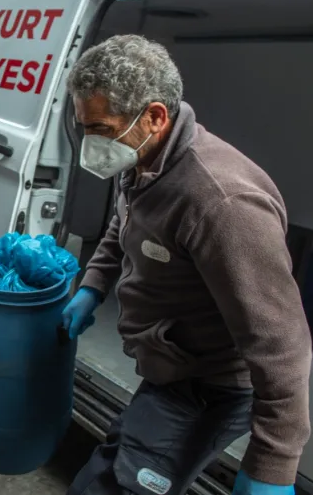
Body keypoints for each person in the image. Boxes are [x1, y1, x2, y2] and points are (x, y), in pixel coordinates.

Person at [62, 35, 311, 495]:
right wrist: (92, 286)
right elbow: (125, 221)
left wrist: (272, 464)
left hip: (211, 385)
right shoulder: (144, 159)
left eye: (99, 128)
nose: (90, 144)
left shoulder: (222, 204)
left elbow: (282, 345)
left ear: (155, 116)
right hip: (170, 367)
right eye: (84, 128)